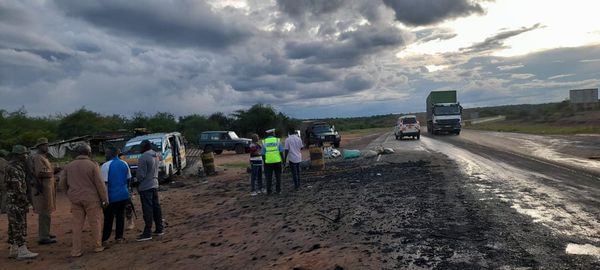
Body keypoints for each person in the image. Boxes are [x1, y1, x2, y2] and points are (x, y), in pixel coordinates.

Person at [59, 144, 108, 257]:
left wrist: (70, 194)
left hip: (75, 199)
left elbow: (62, 184)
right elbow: (100, 184)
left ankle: (76, 250)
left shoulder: (68, 166)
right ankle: (97, 246)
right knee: (95, 222)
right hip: (92, 199)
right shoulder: (92, 165)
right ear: (88, 153)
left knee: (77, 225)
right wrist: (104, 199)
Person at [6, 145, 39, 260]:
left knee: (13, 225)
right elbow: (18, 188)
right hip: (17, 201)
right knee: (19, 225)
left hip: (11, 200)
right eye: (24, 154)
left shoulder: (10, 166)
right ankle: (22, 250)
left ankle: (13, 248)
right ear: (19, 155)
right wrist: (26, 201)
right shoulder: (16, 169)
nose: (26, 156)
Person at [29, 137, 57, 245]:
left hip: (47, 189)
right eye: (44, 145)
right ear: (39, 147)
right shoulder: (37, 158)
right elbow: (40, 172)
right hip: (42, 190)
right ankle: (43, 237)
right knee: (44, 212)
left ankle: (46, 232)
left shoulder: (43, 157)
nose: (47, 147)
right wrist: (52, 172)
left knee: (47, 211)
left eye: (47, 144)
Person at [101, 147, 132, 243]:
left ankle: (105, 239)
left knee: (108, 218)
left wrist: (104, 199)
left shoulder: (105, 165)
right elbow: (128, 179)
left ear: (110, 154)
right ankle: (119, 237)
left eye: (107, 153)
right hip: (123, 194)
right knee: (120, 216)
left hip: (111, 196)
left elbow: (104, 184)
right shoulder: (124, 163)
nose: (105, 155)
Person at [136, 140, 164, 241]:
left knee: (147, 209)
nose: (139, 149)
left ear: (144, 147)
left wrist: (136, 181)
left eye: (140, 147)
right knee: (156, 208)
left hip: (146, 186)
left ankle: (147, 232)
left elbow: (141, 175)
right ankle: (159, 228)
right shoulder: (155, 155)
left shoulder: (143, 157)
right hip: (154, 184)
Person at [261, 129, 284, 195]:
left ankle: (269, 191)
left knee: (268, 177)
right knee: (278, 176)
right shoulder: (277, 140)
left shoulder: (264, 142)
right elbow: (281, 152)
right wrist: (283, 161)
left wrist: (264, 162)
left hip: (268, 162)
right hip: (277, 161)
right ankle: (278, 190)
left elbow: (263, 154)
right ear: (273, 133)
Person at [119, 152, 136, 230]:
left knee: (128, 206)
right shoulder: (110, 164)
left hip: (125, 188)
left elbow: (129, 178)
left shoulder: (124, 164)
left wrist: (129, 189)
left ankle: (130, 221)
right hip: (118, 188)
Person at [0, 149, 9, 214]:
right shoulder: (3, 161)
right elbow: (4, 170)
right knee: (4, 194)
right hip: (2, 179)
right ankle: (3, 209)